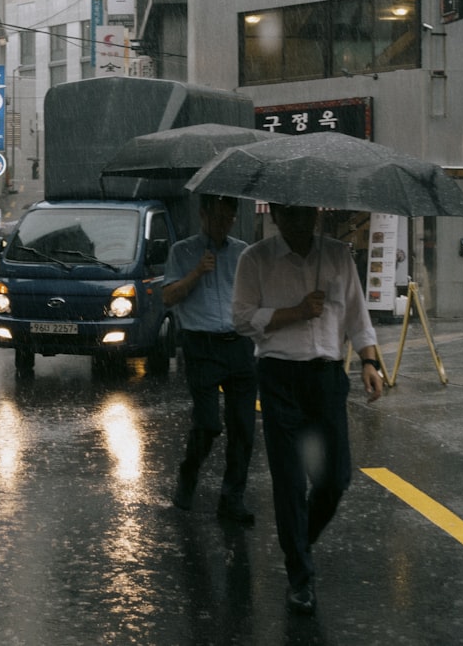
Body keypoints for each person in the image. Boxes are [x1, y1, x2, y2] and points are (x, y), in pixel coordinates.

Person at [233, 202, 384, 616]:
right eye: (289, 215)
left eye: (305, 215)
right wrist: (294, 313)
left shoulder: (337, 255)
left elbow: (356, 315)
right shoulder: (256, 259)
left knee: (335, 478)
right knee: (289, 480)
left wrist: (370, 362)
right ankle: (300, 576)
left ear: (316, 215)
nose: (298, 222)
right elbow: (241, 319)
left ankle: (300, 542)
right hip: (279, 376)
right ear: (277, 216)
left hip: (327, 378)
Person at [164, 195, 258, 525]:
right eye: (217, 217)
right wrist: (196, 273)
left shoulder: (242, 252)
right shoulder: (183, 251)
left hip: (238, 345)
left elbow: (253, 296)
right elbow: (167, 296)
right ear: (203, 215)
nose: (223, 224)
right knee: (208, 424)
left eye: (229, 218)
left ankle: (232, 498)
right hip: (201, 346)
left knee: (243, 427)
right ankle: (188, 474)